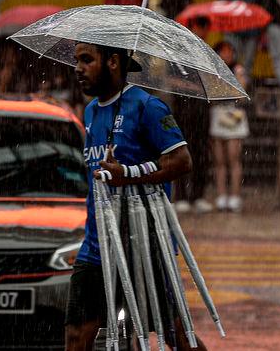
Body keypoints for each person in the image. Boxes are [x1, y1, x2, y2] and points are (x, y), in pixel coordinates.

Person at [66, 42, 206, 351]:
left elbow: (182, 161)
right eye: (77, 60)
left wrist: (128, 173)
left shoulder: (148, 107)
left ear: (113, 62)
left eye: (87, 60)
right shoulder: (90, 111)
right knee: (77, 336)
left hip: (144, 241)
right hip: (97, 243)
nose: (78, 68)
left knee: (176, 335)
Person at [174, 15, 213, 214]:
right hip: (183, 111)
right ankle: (180, 195)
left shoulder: (206, 53)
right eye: (201, 27)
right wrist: (193, 87)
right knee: (181, 150)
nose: (203, 32)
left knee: (201, 154)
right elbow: (172, 81)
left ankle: (198, 195)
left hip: (201, 111)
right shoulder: (179, 53)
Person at [209, 41, 249, 213]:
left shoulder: (238, 70)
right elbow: (211, 93)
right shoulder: (213, 70)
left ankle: (235, 195)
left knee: (233, 158)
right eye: (223, 51)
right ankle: (221, 195)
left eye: (229, 51)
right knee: (219, 160)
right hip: (218, 113)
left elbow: (240, 94)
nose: (227, 54)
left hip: (234, 114)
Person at [221, 0, 261, 76]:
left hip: (251, 29)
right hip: (233, 27)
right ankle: (233, 89)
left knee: (248, 63)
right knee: (231, 61)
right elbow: (223, 3)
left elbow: (261, 5)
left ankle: (244, 89)